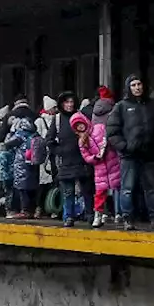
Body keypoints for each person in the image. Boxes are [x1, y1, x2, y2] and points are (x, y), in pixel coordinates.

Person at [106, 74, 154, 229]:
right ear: (128, 88)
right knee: (127, 189)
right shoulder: (121, 106)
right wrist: (124, 146)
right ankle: (128, 219)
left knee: (151, 189)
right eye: (133, 85)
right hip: (129, 155)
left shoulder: (153, 105)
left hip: (149, 154)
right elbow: (111, 131)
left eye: (139, 84)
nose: (137, 87)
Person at [47, 92, 93, 227]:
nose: (69, 105)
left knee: (87, 190)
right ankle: (68, 217)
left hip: (82, 159)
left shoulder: (82, 117)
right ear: (62, 104)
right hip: (66, 161)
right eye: (66, 102)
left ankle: (90, 215)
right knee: (68, 192)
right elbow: (49, 140)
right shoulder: (57, 120)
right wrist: (59, 151)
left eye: (72, 102)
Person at [82, 91, 121, 226]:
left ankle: (98, 214)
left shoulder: (92, 124)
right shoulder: (114, 112)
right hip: (113, 159)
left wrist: (95, 157)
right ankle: (119, 214)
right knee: (118, 187)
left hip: (99, 164)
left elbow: (88, 150)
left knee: (100, 191)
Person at [6, 117, 42, 218]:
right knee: (32, 188)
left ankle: (24, 210)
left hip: (21, 165)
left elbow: (7, 143)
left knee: (22, 189)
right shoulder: (36, 135)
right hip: (33, 164)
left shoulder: (19, 135)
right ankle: (33, 210)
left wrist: (12, 131)